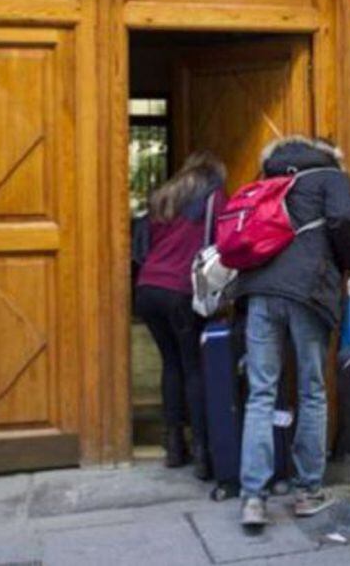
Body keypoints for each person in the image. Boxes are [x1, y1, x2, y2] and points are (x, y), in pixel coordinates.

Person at [233, 136, 350, 528]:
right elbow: (343, 220)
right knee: (311, 389)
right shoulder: (331, 176)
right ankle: (307, 491)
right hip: (307, 291)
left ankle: (253, 499)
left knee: (261, 392)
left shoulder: (269, 177)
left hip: (259, 290)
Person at [135, 151, 227, 479]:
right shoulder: (214, 197)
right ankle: (203, 451)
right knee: (193, 367)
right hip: (181, 290)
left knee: (170, 364)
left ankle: (173, 445)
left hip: (148, 287)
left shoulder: (163, 198)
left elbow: (141, 244)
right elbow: (222, 242)